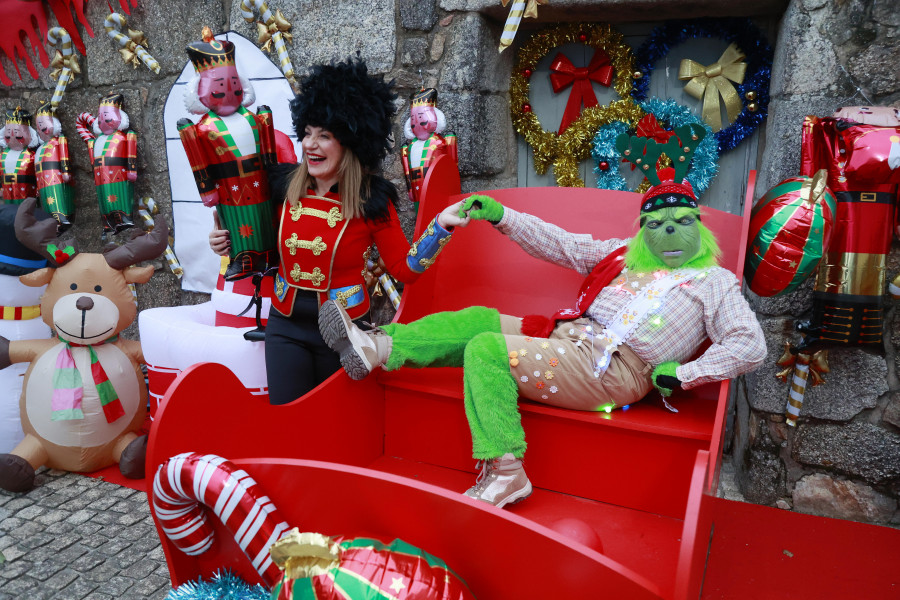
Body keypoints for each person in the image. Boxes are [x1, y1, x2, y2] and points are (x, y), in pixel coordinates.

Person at [318, 132, 767, 508]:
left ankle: (506, 469)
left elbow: (749, 344)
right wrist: (501, 215)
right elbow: (561, 244)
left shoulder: (714, 283)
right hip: (566, 336)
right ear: (643, 230)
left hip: (613, 370)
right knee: (478, 320)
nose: (668, 231)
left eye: (681, 222)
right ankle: (382, 346)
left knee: (487, 351)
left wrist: (685, 374)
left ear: (699, 228)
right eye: (656, 223)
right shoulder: (624, 256)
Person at [210, 57, 458, 405]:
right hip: (285, 328)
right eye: (307, 133)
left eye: (324, 136)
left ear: (351, 143)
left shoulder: (372, 200)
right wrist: (224, 239)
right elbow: (254, 240)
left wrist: (440, 228)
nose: (310, 144)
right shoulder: (280, 185)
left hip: (346, 334)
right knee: (289, 425)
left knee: (334, 429)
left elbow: (404, 269)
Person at [180, 27, 284, 281]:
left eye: (233, 82)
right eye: (219, 85)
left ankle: (270, 255)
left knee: (264, 221)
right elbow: (199, 162)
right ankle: (243, 256)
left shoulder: (258, 120)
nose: (228, 89)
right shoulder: (202, 129)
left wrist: (273, 176)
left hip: (262, 186)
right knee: (239, 224)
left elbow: (272, 157)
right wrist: (207, 191)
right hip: (229, 188)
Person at [76, 92, 137, 234]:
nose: (103, 119)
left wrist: (132, 169)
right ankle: (107, 222)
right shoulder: (97, 140)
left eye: (107, 115)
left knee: (119, 196)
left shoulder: (122, 137)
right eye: (101, 116)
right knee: (103, 198)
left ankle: (124, 218)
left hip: (118, 173)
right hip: (100, 175)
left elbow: (130, 153)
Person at [400, 87, 457, 214]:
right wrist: (410, 189)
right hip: (417, 190)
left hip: (438, 191)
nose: (417, 122)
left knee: (439, 217)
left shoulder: (439, 142)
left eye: (420, 117)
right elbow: (408, 171)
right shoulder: (409, 147)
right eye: (413, 118)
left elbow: (450, 167)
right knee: (421, 218)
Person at [34, 101, 75, 230]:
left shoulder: (58, 141)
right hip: (42, 181)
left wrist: (66, 171)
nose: (41, 128)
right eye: (38, 125)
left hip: (55, 178)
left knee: (58, 200)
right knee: (47, 205)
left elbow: (64, 157)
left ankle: (62, 220)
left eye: (43, 124)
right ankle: (50, 223)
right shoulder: (40, 148)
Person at [1, 106, 39, 205]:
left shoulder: (32, 155)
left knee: (25, 212)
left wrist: (39, 187)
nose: (13, 135)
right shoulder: (2, 156)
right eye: (9, 132)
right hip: (7, 192)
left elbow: (38, 172)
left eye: (17, 132)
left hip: (27, 191)